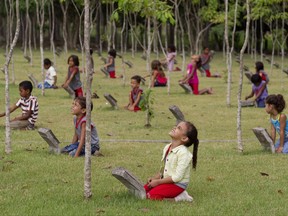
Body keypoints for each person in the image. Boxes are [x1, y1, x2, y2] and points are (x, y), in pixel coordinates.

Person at [144, 121, 199, 201]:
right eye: (176, 126)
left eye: (179, 128)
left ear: (184, 138)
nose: (174, 128)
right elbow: (164, 169)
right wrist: (155, 178)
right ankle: (166, 191)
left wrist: (158, 182)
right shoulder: (167, 147)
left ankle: (180, 197)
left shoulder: (184, 154)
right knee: (143, 190)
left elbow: (177, 177)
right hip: (166, 181)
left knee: (151, 196)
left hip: (177, 184)